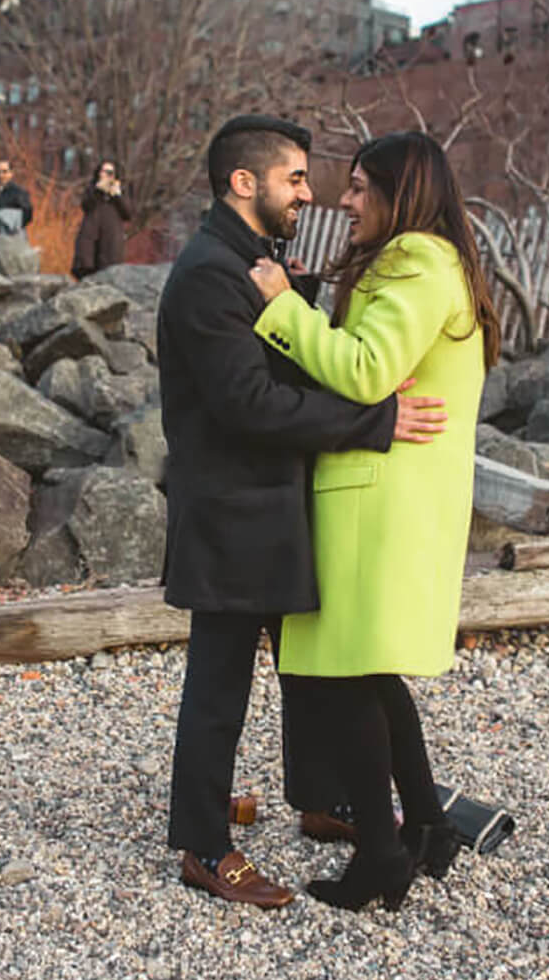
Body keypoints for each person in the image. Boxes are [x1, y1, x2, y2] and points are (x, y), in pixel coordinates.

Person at [158, 114, 448, 909]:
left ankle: (323, 799)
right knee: (218, 687)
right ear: (242, 183)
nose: (309, 192)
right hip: (228, 514)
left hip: (280, 504)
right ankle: (204, 845)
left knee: (316, 670)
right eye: (294, 177)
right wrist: (377, 420)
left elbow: (292, 341)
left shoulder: (257, 260)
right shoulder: (205, 275)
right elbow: (250, 402)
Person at [246, 130, 500, 911]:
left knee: (347, 675)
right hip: (392, 495)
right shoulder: (433, 261)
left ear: (402, 192)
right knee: (372, 669)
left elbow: (366, 369)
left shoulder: (417, 260)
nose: (344, 201)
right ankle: (426, 823)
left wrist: (282, 308)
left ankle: (382, 858)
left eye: (359, 187)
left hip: (378, 497)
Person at [71, 159, 130, 279]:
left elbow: (128, 214)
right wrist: (98, 191)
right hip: (91, 240)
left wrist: (117, 196)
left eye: (110, 172)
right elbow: (85, 205)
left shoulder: (121, 192)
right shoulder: (92, 190)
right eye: (104, 171)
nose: (106, 175)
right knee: (87, 271)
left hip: (110, 242)